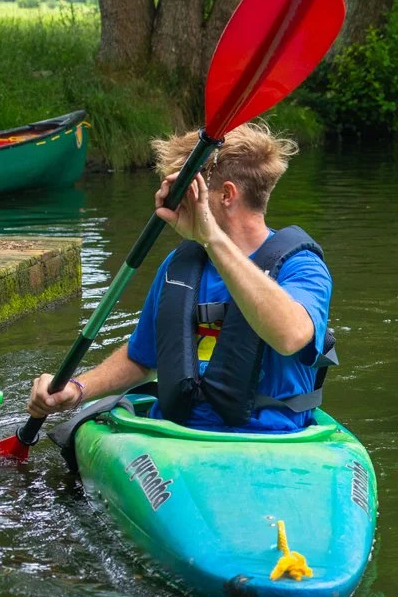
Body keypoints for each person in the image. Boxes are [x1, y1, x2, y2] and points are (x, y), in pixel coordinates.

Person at [26, 122, 335, 433]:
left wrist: (211, 238)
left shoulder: (302, 266)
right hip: (175, 433)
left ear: (226, 195)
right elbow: (142, 359)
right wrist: (77, 388)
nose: (175, 201)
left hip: (270, 438)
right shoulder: (180, 265)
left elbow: (291, 336)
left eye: (186, 190)